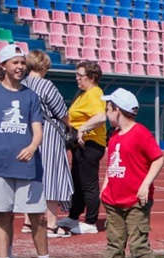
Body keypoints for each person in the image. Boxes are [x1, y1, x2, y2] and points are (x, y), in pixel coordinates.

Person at [0, 44, 61, 258]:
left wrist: (34, 145)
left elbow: (38, 129)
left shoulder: (31, 96)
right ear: (3, 65)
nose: (20, 67)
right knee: (3, 216)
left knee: (38, 218)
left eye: (22, 62)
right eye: (15, 62)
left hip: (28, 168)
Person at [99, 88, 164, 258]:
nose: (106, 113)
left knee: (138, 244)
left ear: (117, 110)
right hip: (113, 200)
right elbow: (113, 164)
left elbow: (158, 159)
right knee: (114, 243)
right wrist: (106, 184)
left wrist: (145, 185)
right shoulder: (114, 136)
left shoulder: (140, 133)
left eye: (108, 109)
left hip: (136, 202)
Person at [23, 50, 74, 236]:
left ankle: (28, 221)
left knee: (32, 176)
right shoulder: (46, 85)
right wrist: (70, 126)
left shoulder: (22, 84)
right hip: (48, 133)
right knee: (52, 176)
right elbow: (60, 111)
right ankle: (52, 223)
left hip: (27, 133)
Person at [65, 60, 106, 234]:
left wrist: (82, 128)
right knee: (78, 181)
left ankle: (90, 221)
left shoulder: (94, 94)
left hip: (90, 144)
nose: (77, 78)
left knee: (88, 184)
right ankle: (74, 216)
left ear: (90, 77)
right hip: (80, 145)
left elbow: (101, 116)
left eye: (80, 75)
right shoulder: (84, 94)